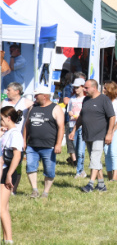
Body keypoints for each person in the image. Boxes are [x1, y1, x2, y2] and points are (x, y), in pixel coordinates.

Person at [70, 80, 115, 193]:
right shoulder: (86, 99)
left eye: (86, 88)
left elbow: (112, 117)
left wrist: (109, 133)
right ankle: (101, 185)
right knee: (95, 160)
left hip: (99, 134)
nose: (84, 90)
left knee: (94, 159)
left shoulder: (104, 100)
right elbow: (81, 116)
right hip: (87, 134)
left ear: (94, 88)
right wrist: (74, 130)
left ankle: (90, 184)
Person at [23, 89, 64, 199]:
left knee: (49, 171)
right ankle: (34, 190)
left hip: (49, 146)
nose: (35, 97)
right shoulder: (33, 107)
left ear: (44, 96)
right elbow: (27, 125)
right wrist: (24, 141)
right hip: (32, 145)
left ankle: (45, 192)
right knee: (30, 167)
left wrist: (58, 144)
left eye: (37, 95)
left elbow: (61, 127)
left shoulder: (56, 108)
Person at [0, 107, 23, 244]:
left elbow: (17, 156)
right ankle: (5, 238)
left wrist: (9, 174)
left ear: (9, 118)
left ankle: (9, 240)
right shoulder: (7, 133)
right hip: (4, 171)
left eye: (2, 119)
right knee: (4, 207)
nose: (0, 122)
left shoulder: (15, 134)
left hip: (8, 172)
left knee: (1, 208)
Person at [102, 82, 117, 181]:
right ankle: (109, 174)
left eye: (105, 88)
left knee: (113, 152)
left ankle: (115, 176)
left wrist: (113, 130)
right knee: (106, 151)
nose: (103, 90)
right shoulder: (103, 99)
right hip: (105, 128)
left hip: (116, 128)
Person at [66, 78, 87, 177]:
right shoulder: (72, 99)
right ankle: (81, 169)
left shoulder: (85, 99)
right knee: (75, 148)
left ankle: (79, 171)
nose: (76, 89)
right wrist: (70, 113)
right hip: (72, 125)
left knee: (80, 150)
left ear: (83, 87)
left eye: (77, 87)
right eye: (74, 87)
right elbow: (69, 109)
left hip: (82, 126)